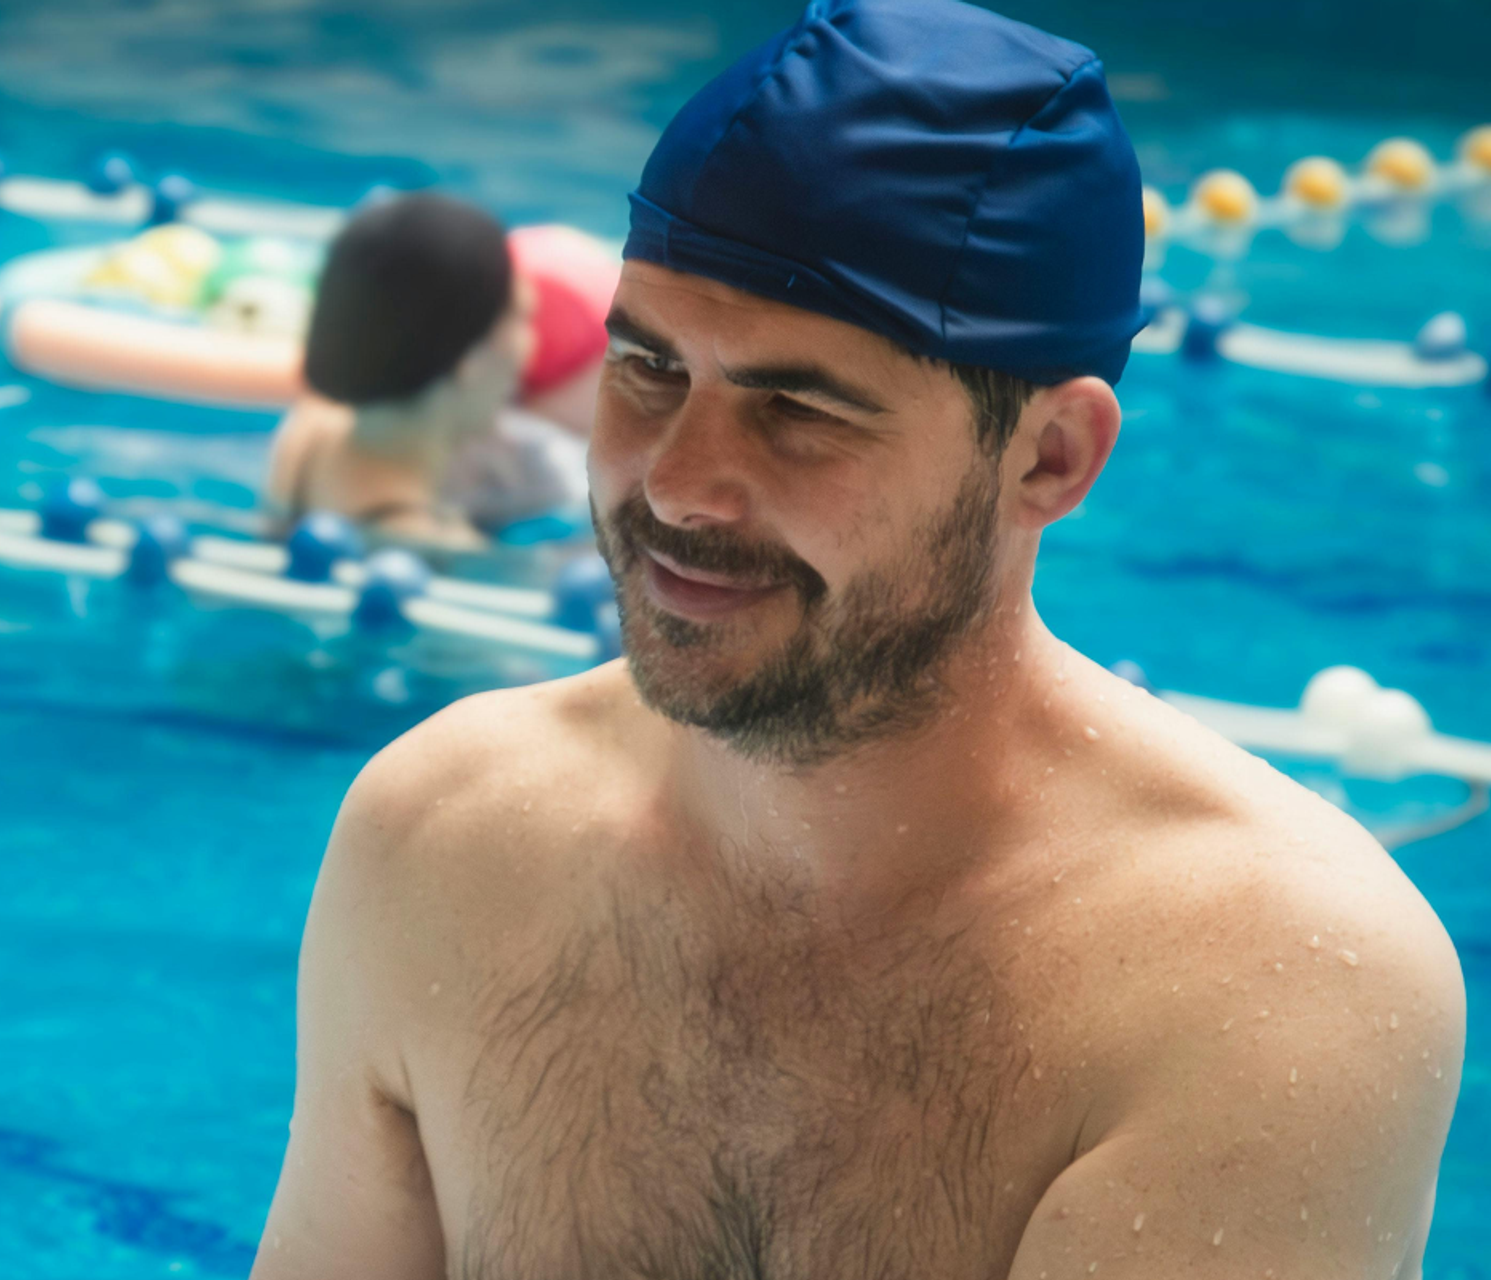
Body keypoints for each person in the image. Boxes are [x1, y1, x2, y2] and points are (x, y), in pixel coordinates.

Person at [254, 1, 1463, 1277]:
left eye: (797, 408)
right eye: (648, 369)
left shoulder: (1256, 983)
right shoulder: (440, 837)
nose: (676, 486)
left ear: (1047, 457)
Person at [264, 194, 617, 548]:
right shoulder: (437, 544)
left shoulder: (307, 430)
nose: (533, 347)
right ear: (469, 360)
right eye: (523, 319)